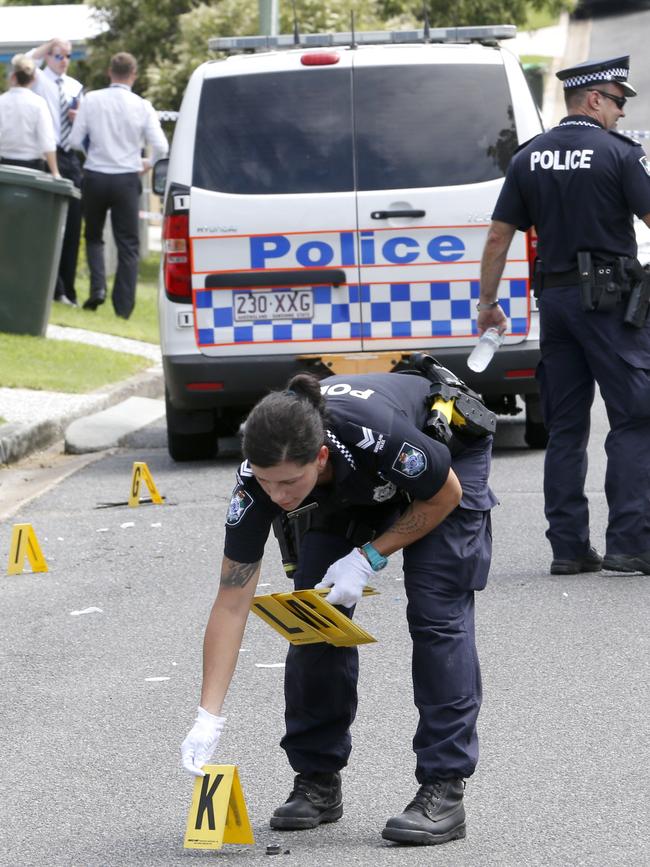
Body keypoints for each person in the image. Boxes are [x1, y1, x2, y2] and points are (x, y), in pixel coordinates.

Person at [181, 366, 498, 846]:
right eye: (267, 484)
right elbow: (230, 602)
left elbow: (444, 494)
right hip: (351, 491)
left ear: (321, 456)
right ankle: (318, 779)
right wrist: (208, 716)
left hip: (442, 468)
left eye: (289, 483)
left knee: (436, 614)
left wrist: (368, 558)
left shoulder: (376, 434)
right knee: (313, 620)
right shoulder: (258, 481)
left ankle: (443, 788)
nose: (278, 498)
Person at [477, 55, 650, 576]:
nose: (621, 113)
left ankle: (569, 549)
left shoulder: (528, 159)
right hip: (612, 304)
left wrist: (488, 305)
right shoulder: (621, 155)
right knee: (636, 417)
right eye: (618, 101)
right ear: (594, 99)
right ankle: (629, 542)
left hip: (554, 304)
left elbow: (497, 237)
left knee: (567, 426)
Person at [69, 52, 169, 319]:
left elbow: (76, 139)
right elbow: (162, 145)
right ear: (133, 75)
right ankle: (123, 306)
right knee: (128, 244)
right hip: (126, 177)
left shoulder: (92, 100)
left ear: (109, 72)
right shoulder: (142, 105)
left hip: (96, 174)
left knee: (93, 235)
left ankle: (98, 287)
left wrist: (92, 153)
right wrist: (146, 163)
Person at [28, 38, 84, 306]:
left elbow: (83, 131)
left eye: (68, 57)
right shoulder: (40, 79)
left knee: (73, 225)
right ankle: (53, 287)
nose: (64, 62)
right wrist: (51, 42)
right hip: (47, 154)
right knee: (51, 224)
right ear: (49, 56)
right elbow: (27, 60)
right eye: (59, 56)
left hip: (70, 156)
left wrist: (79, 118)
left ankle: (67, 289)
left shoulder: (75, 86)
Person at [0, 55, 59, 176]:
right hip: (32, 168)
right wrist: (55, 172)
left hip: (4, 167)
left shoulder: (2, 101)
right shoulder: (39, 103)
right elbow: (47, 141)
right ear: (34, 78)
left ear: (13, 76)